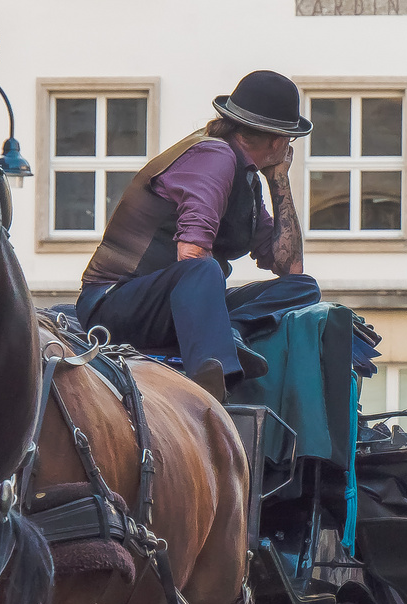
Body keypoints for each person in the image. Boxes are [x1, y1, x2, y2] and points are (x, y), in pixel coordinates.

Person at [76, 70, 320, 403]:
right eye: (289, 141)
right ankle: (215, 387)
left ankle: (229, 333)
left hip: (182, 302)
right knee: (205, 270)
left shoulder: (246, 176)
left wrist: (279, 181)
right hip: (114, 302)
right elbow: (190, 254)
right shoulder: (214, 157)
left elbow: (290, 267)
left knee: (304, 288)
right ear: (278, 141)